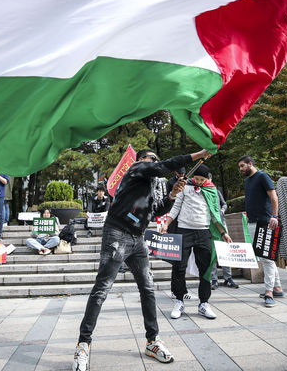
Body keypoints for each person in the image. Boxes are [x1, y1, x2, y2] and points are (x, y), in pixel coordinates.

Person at [73, 148, 211, 371]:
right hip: (117, 232)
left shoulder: (154, 185)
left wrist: (173, 194)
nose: (153, 162)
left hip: (138, 239)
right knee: (102, 289)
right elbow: (160, 167)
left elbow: (157, 210)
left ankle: (152, 341)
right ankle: (83, 344)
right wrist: (199, 154)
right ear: (141, 161)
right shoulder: (137, 169)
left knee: (148, 288)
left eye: (155, 159)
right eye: (150, 158)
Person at [162, 164, 232, 320]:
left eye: (202, 179)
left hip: (204, 231)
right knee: (180, 267)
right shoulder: (185, 186)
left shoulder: (212, 190)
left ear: (207, 179)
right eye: (197, 179)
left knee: (206, 269)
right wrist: (166, 224)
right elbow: (176, 207)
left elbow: (215, 214)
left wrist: (223, 233)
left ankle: (204, 303)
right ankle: (179, 300)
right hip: (184, 230)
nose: (199, 182)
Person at [238, 155, 283, 308]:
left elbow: (274, 197)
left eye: (243, 166)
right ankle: (277, 287)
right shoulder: (247, 181)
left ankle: (269, 292)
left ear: (251, 164)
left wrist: (274, 216)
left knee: (268, 258)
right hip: (252, 222)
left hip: (265, 222)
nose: (241, 169)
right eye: (240, 167)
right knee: (265, 258)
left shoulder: (263, 176)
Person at [211, 181, 238, 289]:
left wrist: (222, 210)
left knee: (225, 251)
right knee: (213, 253)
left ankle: (228, 278)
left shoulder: (217, 192)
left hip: (221, 224)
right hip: (209, 226)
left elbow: (224, 204)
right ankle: (214, 279)